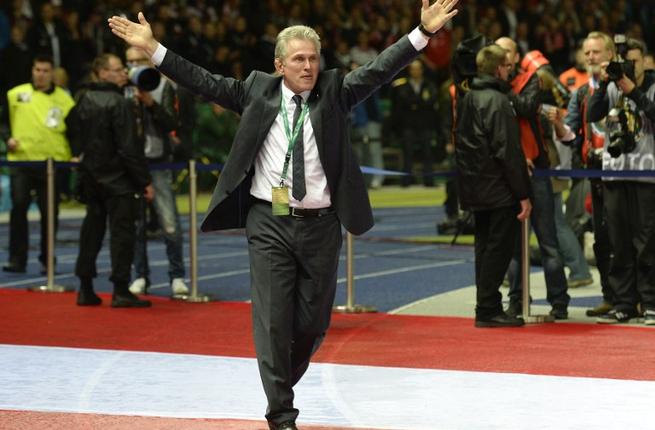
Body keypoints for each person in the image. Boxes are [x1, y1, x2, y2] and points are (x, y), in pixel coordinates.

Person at [108, 1, 458, 428]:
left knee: (313, 324)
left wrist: (422, 32)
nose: (308, 67)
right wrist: (153, 48)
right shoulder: (256, 90)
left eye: (313, 58)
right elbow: (202, 81)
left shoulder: (336, 91)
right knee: (273, 321)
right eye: (298, 60)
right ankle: (281, 414)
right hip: (269, 222)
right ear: (279, 65)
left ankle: (278, 382)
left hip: (322, 224)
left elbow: (381, 68)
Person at [67, 53, 154, 308]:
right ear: (102, 72)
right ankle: (120, 289)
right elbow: (128, 148)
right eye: (117, 69)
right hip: (118, 180)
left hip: (90, 177)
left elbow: (71, 129)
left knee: (91, 233)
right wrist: (144, 181)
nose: (123, 73)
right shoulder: (119, 102)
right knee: (122, 235)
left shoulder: (82, 99)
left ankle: (85, 288)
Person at [455, 43, 531, 328]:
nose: (509, 71)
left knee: (484, 248)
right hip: (498, 188)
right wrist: (523, 193)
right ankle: (488, 308)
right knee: (498, 250)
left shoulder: (467, 97)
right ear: (499, 68)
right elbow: (507, 150)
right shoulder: (498, 101)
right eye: (507, 67)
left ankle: (486, 305)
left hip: (475, 185)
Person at [495, 36, 571, 320]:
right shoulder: (490, 85)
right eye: (498, 51)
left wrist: (502, 90)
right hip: (508, 172)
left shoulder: (530, 80)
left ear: (516, 57)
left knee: (548, 241)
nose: (503, 56)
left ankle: (559, 301)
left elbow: (527, 108)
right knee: (514, 246)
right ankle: (517, 300)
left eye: (508, 51)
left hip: (536, 170)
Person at [547, 32, 616, 317]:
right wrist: (560, 125)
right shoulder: (581, 93)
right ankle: (611, 296)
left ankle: (636, 298)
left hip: (628, 172)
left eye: (596, 52)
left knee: (629, 237)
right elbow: (571, 133)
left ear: (610, 54)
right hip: (594, 171)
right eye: (587, 53)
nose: (590, 57)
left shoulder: (623, 87)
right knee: (601, 238)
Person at [587, 38, 655, 325]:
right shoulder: (611, 86)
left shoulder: (652, 86)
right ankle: (624, 302)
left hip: (646, 175)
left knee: (647, 243)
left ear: (645, 62)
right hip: (614, 173)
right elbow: (592, 115)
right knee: (619, 242)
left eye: (635, 62)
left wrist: (634, 92)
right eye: (626, 62)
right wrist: (604, 84)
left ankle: (650, 302)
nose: (629, 67)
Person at [124, 46, 189, 297]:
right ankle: (140, 275)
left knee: (169, 223)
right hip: (133, 163)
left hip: (159, 163)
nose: (134, 66)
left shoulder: (164, 86)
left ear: (150, 61)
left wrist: (151, 104)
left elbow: (172, 123)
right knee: (136, 225)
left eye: (139, 60)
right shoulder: (123, 87)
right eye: (129, 61)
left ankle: (177, 276)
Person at [3, 54, 75, 274]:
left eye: (45, 71)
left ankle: (48, 259)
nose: (41, 75)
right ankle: (17, 259)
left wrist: (75, 153)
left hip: (52, 164)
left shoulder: (65, 99)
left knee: (50, 214)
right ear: (32, 71)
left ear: (52, 73)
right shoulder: (15, 94)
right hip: (21, 161)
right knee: (18, 209)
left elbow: (75, 130)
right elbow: (3, 122)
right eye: (37, 70)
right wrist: (7, 137)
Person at [390, 59, 440, 187]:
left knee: (427, 152)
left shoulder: (429, 84)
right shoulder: (402, 85)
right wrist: (420, 103)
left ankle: (429, 180)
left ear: (422, 70)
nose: (415, 71)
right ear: (410, 70)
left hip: (425, 124)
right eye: (413, 69)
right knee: (407, 153)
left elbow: (431, 101)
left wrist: (415, 104)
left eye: (418, 68)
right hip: (408, 125)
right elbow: (402, 102)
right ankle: (406, 181)